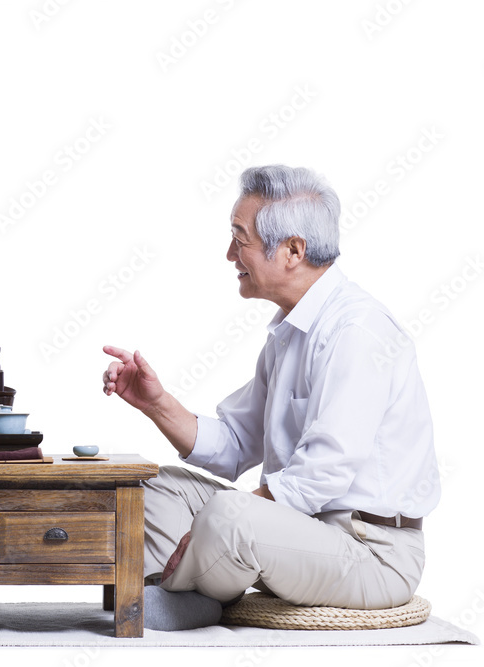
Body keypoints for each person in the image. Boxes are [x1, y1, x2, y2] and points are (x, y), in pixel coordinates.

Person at [102, 165, 440, 631]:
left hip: (373, 553)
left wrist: (219, 522)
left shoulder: (356, 331)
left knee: (232, 515)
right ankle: (193, 584)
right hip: (306, 533)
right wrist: (155, 402)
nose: (228, 254)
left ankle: (184, 593)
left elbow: (323, 471)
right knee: (151, 487)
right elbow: (236, 443)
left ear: (292, 251)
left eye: (239, 239)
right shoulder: (289, 333)